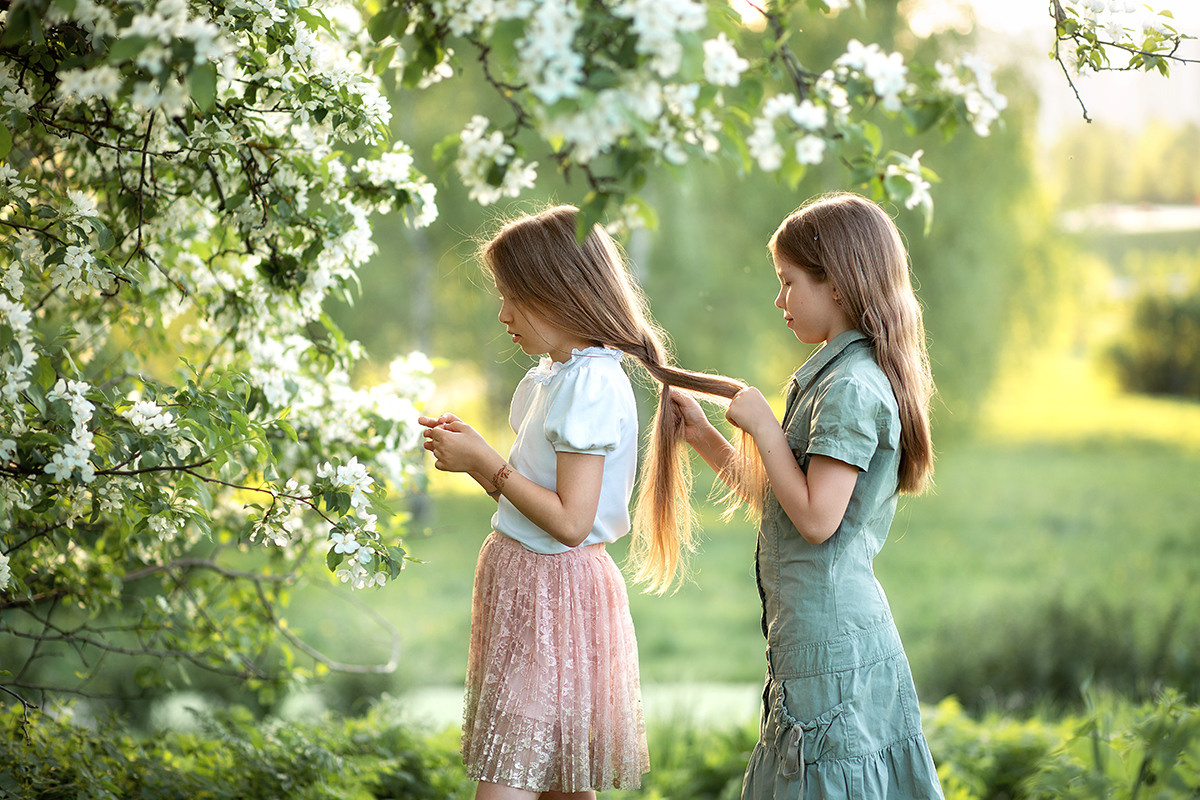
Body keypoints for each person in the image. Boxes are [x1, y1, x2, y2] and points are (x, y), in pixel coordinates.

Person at [418, 205, 742, 800]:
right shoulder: (561, 373)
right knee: (561, 785)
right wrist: (476, 456)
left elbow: (571, 521)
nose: (503, 314)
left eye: (515, 296)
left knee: (512, 780)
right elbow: (540, 486)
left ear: (560, 293)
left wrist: (485, 465)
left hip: (554, 592)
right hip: (529, 584)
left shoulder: (590, 382)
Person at [670, 192, 944, 798]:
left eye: (789, 282)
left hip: (833, 642)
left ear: (838, 285)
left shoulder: (849, 386)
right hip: (814, 634)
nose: (779, 300)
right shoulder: (834, 375)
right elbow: (786, 499)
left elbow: (818, 519)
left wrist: (764, 426)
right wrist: (707, 438)